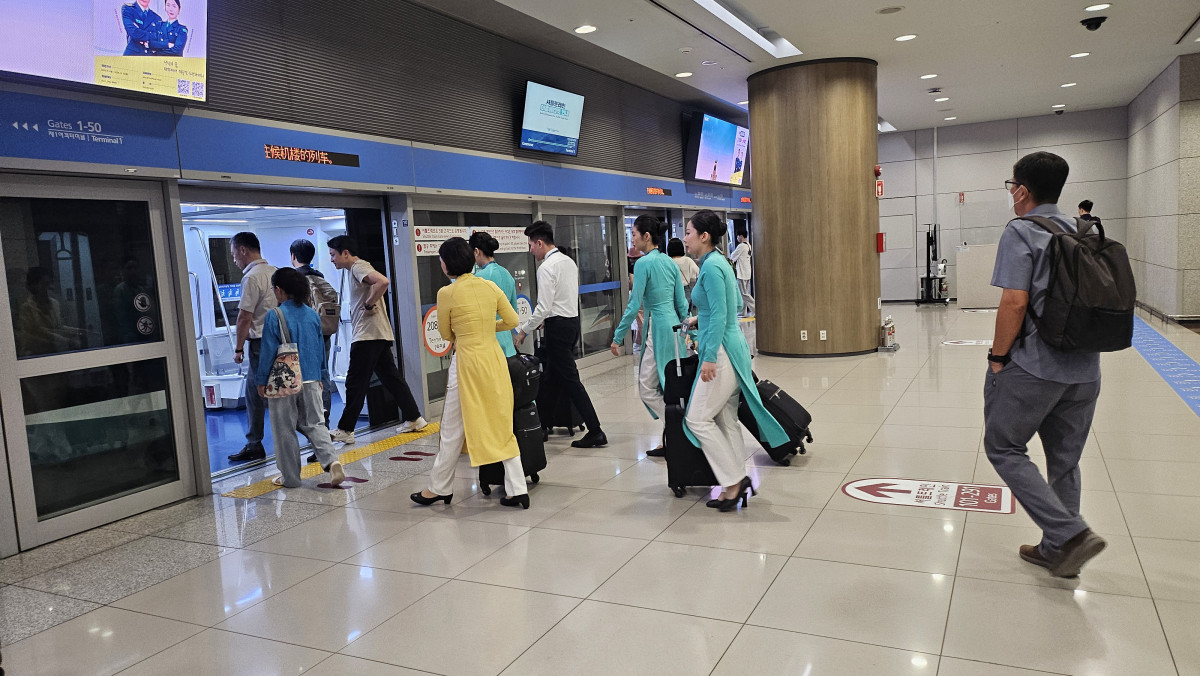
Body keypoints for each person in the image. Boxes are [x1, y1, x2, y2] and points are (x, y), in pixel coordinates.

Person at [986, 152, 1107, 578]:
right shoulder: (1082, 230)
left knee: (1003, 446)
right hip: (1085, 368)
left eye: (1011, 186)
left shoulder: (1022, 230)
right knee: (1065, 460)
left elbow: (1014, 302)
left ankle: (1069, 533)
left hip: (1036, 365)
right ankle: (1058, 551)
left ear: (1021, 190)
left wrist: (998, 359)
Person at [681, 210, 789, 511]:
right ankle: (736, 479)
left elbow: (720, 314)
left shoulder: (712, 266)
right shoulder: (720, 262)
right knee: (726, 419)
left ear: (704, 236)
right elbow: (733, 305)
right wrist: (699, 318)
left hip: (721, 352)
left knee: (697, 419)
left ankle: (733, 480)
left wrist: (708, 357)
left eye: (689, 232)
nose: (685, 238)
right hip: (731, 347)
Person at [412, 237, 529, 509]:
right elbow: (512, 320)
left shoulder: (446, 293)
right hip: (494, 360)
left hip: (465, 363)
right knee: (501, 423)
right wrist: (488, 327)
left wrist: (467, 332)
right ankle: (518, 489)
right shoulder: (489, 286)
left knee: (451, 428)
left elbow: (445, 333)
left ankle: (439, 487)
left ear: (447, 264)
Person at [515, 222, 607, 448]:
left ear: (539, 243)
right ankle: (542, 426)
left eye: (531, 245)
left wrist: (524, 330)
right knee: (552, 379)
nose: (530, 251)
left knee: (570, 380)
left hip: (557, 328)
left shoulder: (546, 267)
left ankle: (596, 430)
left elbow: (544, 307)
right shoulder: (568, 262)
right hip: (572, 324)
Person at [327, 235, 426, 444]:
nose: (332, 259)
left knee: (355, 381)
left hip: (367, 335)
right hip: (377, 333)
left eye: (333, 255)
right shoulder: (356, 269)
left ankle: (345, 429)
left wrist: (369, 304)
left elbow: (383, 281)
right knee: (391, 378)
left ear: (346, 253)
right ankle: (414, 417)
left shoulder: (358, 267)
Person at [256, 267, 345, 489]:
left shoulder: (275, 315)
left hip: (284, 381)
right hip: (312, 378)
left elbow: (268, 352)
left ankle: (291, 478)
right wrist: (322, 375)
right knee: (315, 424)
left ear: (279, 290)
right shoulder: (312, 315)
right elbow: (320, 349)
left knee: (284, 429)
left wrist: (261, 380)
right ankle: (332, 461)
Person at [611, 216, 688, 458]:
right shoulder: (669, 262)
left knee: (646, 387)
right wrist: (689, 331)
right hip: (674, 327)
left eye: (633, 234)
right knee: (669, 385)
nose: (631, 239)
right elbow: (681, 303)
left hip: (657, 328)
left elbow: (634, 305)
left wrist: (618, 336)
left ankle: (680, 428)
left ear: (646, 236)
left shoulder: (643, 264)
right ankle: (671, 437)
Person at [229, 232, 278, 463]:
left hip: (260, 344)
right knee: (281, 392)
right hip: (280, 341)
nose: (234, 261)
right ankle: (314, 434)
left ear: (243, 250)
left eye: (234, 255)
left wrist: (238, 348)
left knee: (255, 394)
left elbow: (244, 317)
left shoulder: (251, 277)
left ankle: (254, 444)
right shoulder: (275, 272)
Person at [469, 231, 519, 357]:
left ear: (476, 251)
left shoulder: (478, 278)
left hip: (488, 344)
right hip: (508, 344)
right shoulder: (507, 274)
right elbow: (514, 312)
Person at [668, 237, 699, 309]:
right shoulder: (687, 260)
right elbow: (697, 273)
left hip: (671, 290)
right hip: (685, 289)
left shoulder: (668, 261)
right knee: (686, 312)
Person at [730, 229, 754, 317]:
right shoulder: (749, 245)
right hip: (747, 272)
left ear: (740, 236)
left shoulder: (741, 246)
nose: (737, 238)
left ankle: (756, 308)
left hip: (742, 273)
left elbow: (732, 257)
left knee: (744, 294)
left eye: (737, 236)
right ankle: (743, 312)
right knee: (743, 293)